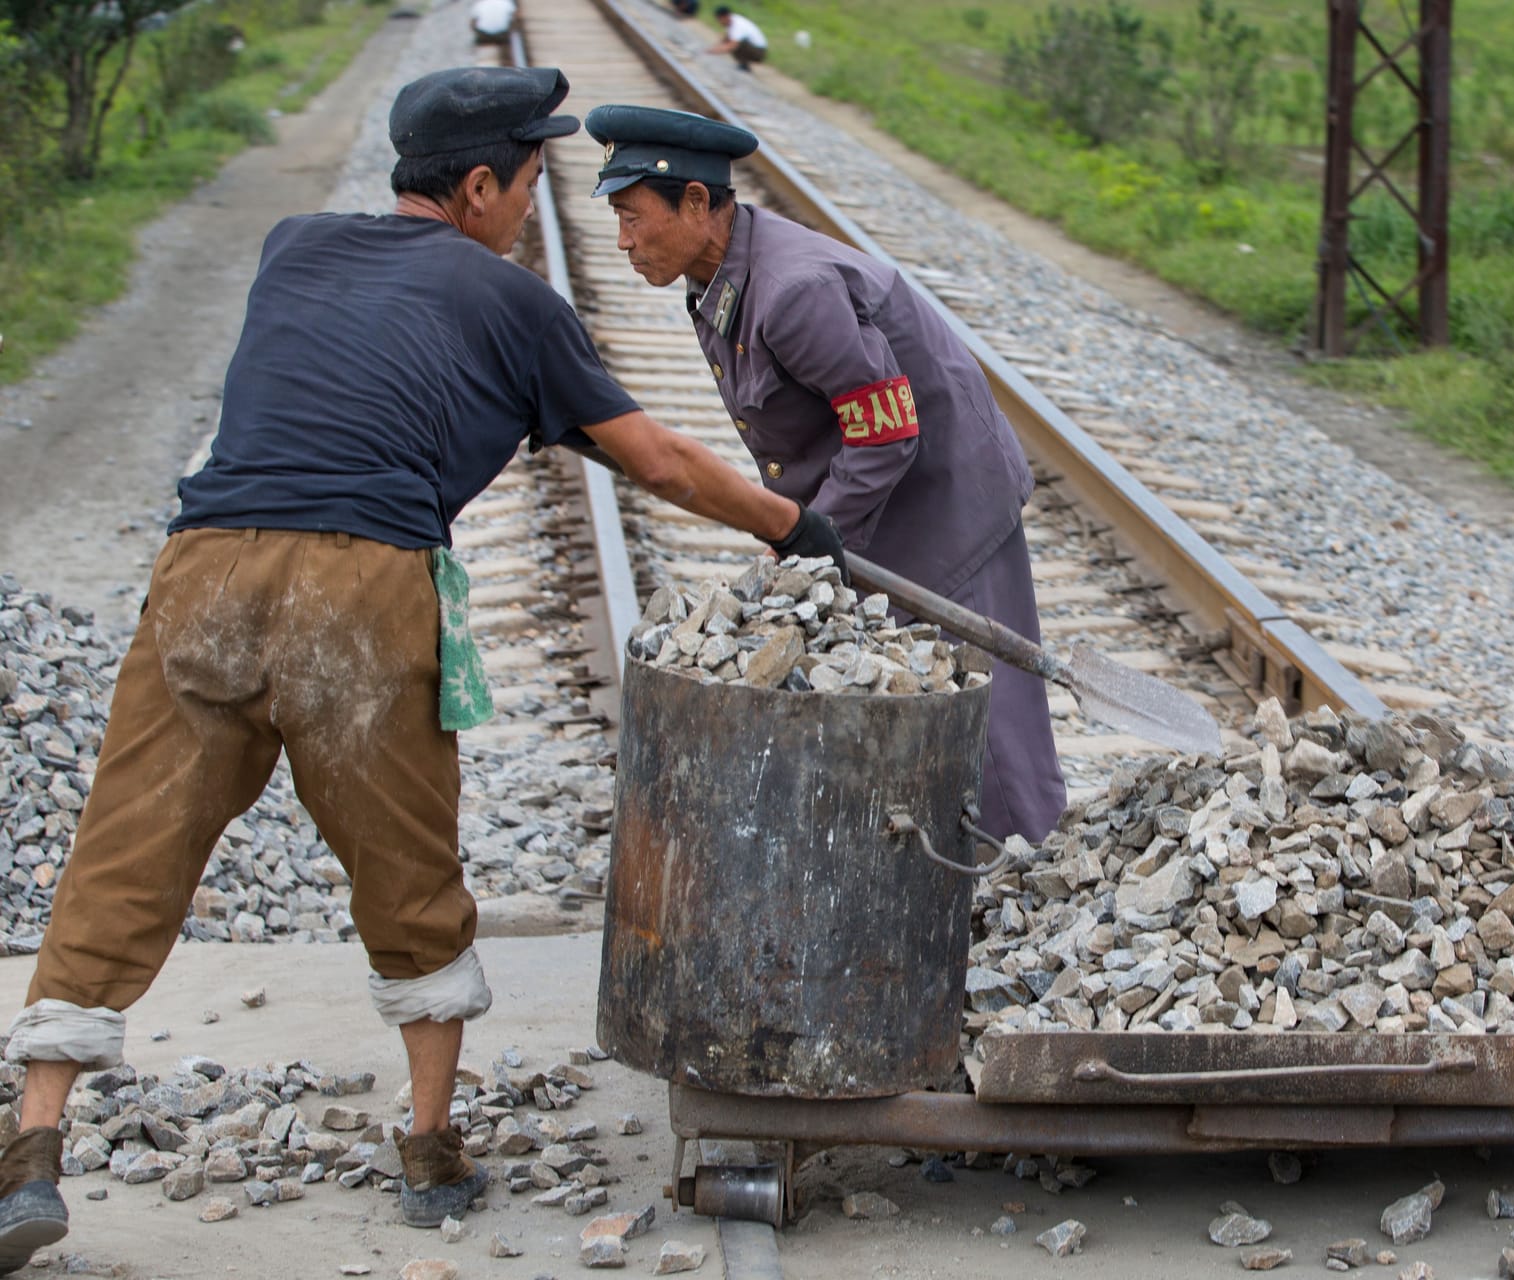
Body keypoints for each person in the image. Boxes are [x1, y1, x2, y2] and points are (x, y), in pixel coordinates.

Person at [0, 66, 842, 1268]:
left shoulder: (292, 247)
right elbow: (653, 460)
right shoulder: (515, 304)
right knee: (405, 854)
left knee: (126, 845)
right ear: (480, 185)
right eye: (531, 181)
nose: (535, 209)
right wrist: (789, 526)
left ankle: (32, 1147)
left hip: (203, 571)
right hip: (361, 584)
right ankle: (431, 1148)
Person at [582, 103, 1069, 843]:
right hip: (879, 502)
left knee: (989, 712)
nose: (621, 241)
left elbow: (886, 431)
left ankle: (1029, 876)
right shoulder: (717, 277)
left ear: (695, 203)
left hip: (945, 502)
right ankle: (953, 878)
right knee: (913, 693)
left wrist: (814, 537)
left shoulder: (792, 291)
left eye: (630, 217)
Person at [707, 5, 767, 71]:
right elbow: (725, 39)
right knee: (731, 41)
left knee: (736, 44)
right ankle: (743, 63)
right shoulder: (732, 21)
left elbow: (732, 45)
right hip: (754, 48)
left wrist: (714, 51)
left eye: (719, 19)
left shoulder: (737, 24)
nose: (719, 22)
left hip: (759, 51)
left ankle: (744, 64)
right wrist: (714, 47)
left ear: (725, 17)